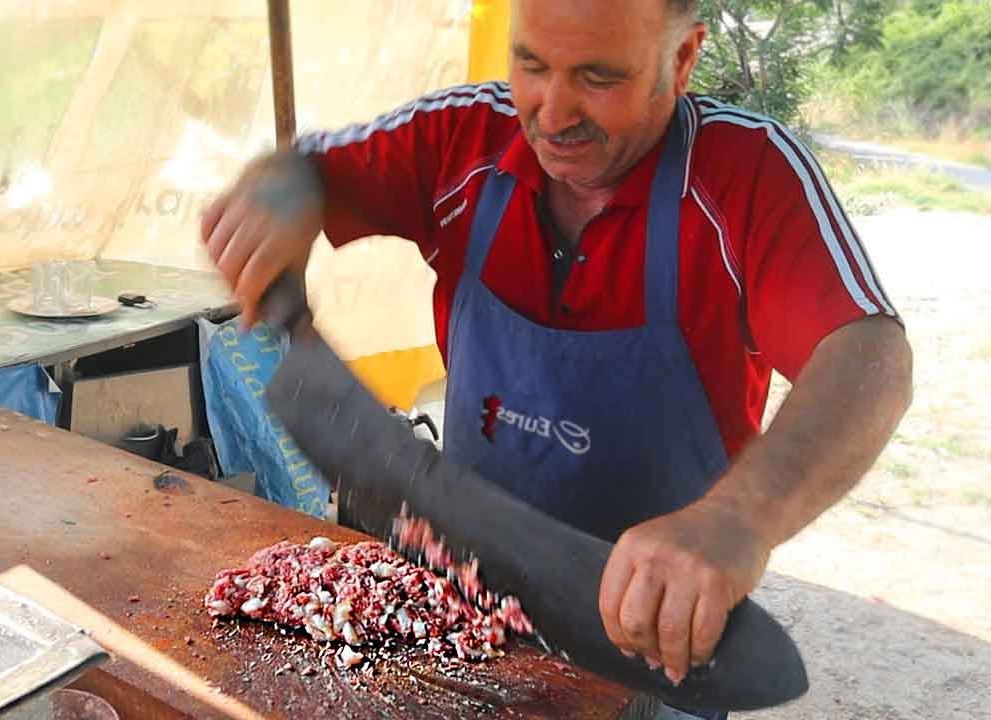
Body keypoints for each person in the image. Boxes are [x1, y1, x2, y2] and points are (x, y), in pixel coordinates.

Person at [201, 0, 913, 716]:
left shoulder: (747, 172)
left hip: (656, 637)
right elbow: (302, 170)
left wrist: (739, 519)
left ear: (682, 59)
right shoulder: (465, 136)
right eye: (531, 64)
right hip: (464, 609)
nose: (552, 112)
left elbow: (869, 352)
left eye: (599, 77)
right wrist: (279, 193)